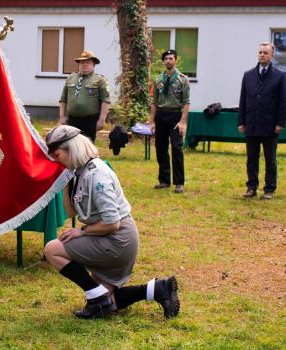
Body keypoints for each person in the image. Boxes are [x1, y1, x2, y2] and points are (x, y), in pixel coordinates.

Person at [43, 125, 180, 319]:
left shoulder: (97, 175)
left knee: (52, 249)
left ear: (70, 149)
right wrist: (65, 183)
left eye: (57, 155)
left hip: (117, 239)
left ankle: (96, 297)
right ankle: (157, 288)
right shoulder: (80, 171)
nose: (56, 161)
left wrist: (82, 232)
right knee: (108, 304)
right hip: (109, 237)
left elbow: (112, 223)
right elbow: (71, 212)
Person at [238, 42, 286, 200]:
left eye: (265, 52)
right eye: (260, 52)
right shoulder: (248, 75)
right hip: (251, 123)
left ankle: (269, 188)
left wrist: (280, 123)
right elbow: (243, 99)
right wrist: (241, 121)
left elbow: (282, 102)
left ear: (272, 55)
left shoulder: (280, 76)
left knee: (270, 158)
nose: (262, 55)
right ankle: (251, 187)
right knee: (251, 158)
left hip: (270, 125)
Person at [149, 49, 190, 193]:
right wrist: (152, 121)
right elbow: (154, 102)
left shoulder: (182, 79)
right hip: (161, 116)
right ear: (163, 61)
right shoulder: (158, 79)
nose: (168, 61)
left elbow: (186, 103)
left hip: (175, 117)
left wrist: (183, 121)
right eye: (166, 58)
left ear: (175, 60)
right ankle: (164, 180)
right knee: (161, 148)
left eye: (171, 58)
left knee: (177, 148)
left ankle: (179, 183)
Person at [59, 50, 110, 142]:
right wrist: (62, 116)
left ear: (93, 65)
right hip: (72, 119)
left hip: (90, 120)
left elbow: (105, 101)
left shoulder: (100, 80)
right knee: (72, 145)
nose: (84, 64)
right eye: (82, 62)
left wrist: (102, 120)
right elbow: (63, 99)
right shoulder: (71, 78)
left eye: (88, 62)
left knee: (88, 145)